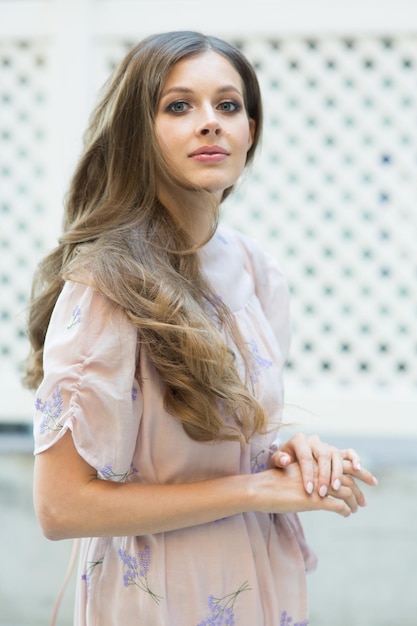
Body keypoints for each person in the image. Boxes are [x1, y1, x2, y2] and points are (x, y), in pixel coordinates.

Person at [25, 31, 378, 626]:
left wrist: (288, 458)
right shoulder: (106, 285)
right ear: (141, 134)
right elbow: (60, 508)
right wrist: (255, 491)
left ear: (252, 131)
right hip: (158, 593)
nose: (210, 122)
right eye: (179, 105)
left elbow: (230, 440)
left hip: (258, 574)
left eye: (229, 105)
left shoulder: (253, 267)